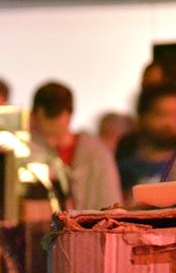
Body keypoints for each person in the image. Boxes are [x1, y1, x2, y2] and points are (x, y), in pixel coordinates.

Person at [29, 81, 122, 210]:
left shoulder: (96, 154)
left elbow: (111, 204)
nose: (54, 123)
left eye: (56, 115)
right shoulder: (28, 152)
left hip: (92, 222)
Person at [118, 83, 176, 195]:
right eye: (162, 114)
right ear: (143, 117)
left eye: (175, 115)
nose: (169, 123)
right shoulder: (120, 168)